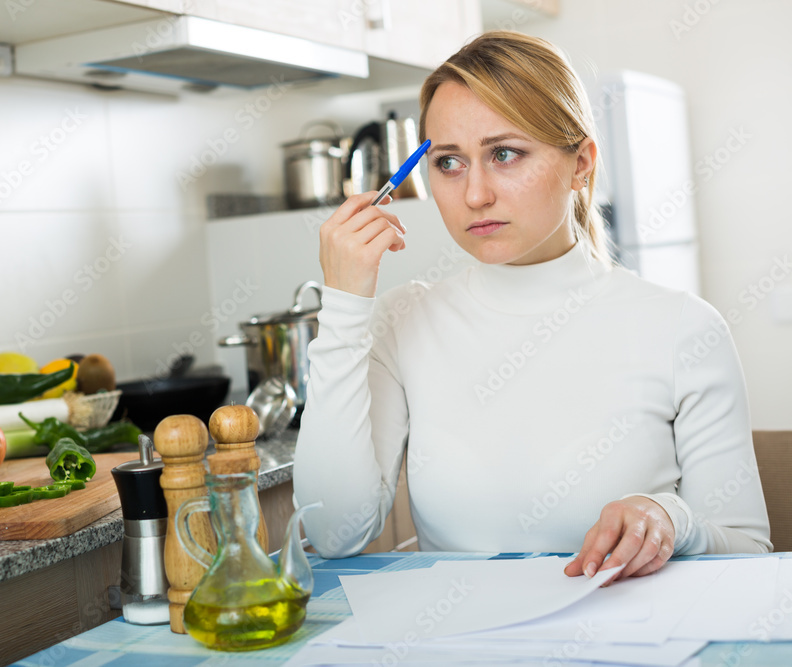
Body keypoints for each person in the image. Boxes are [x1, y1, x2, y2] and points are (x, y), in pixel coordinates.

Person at [292, 30, 771, 584]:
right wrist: (345, 305)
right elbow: (334, 532)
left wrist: (672, 519)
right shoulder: (400, 324)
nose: (475, 195)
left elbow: (748, 555)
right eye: (449, 162)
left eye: (504, 154)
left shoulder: (685, 329)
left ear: (581, 163)